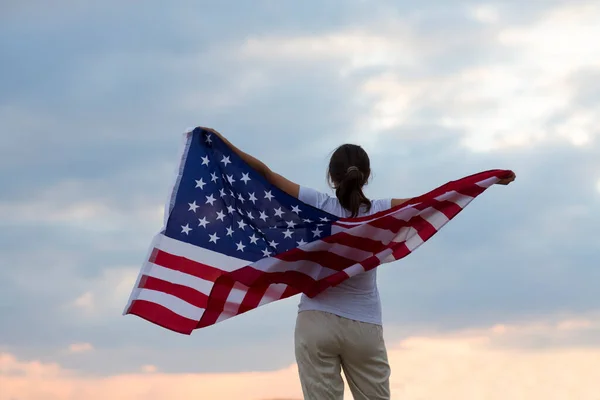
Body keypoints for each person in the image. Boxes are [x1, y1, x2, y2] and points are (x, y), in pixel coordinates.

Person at [202, 127, 516, 400]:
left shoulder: (317, 204)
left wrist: (222, 144)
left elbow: (266, 174)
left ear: (331, 176)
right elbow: (433, 200)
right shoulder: (381, 213)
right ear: (366, 176)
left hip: (316, 321)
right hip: (364, 327)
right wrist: (485, 181)